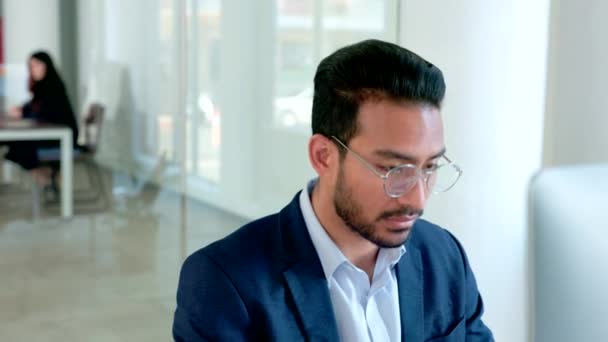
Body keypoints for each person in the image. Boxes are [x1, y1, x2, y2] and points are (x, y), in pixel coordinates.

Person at [173, 39, 494, 341]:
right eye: (394, 169)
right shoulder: (225, 283)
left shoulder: (445, 256)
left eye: (429, 167)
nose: (417, 198)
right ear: (323, 156)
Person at [4, 51, 78, 186]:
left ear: (46, 65)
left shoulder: (53, 86)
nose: (34, 69)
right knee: (14, 143)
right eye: (31, 66)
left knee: (18, 144)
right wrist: (22, 110)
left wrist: (24, 113)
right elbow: (33, 106)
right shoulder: (41, 86)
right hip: (51, 133)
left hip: (60, 136)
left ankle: (44, 174)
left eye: (37, 65)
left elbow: (45, 113)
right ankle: (45, 173)